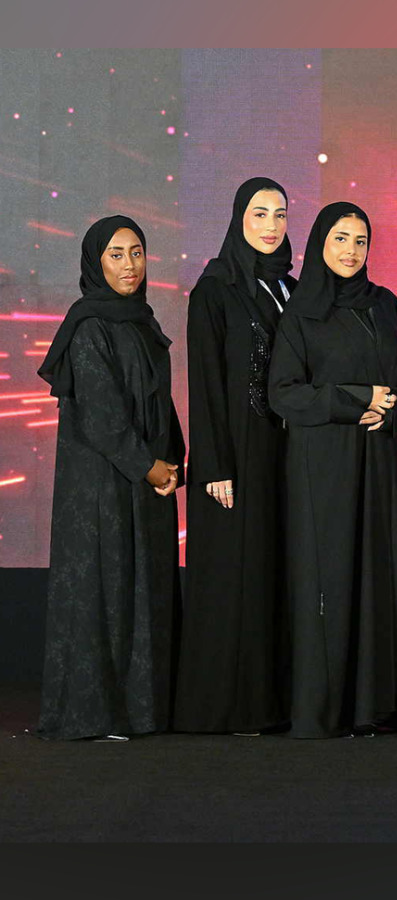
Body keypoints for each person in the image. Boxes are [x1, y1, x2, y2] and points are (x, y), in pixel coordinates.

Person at [268, 201, 397, 739]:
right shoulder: (300, 312)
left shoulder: (385, 305)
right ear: (319, 245)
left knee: (378, 573)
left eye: (360, 241)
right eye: (340, 239)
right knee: (328, 577)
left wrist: (395, 406)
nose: (351, 251)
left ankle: (372, 706)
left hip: (379, 459)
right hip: (323, 462)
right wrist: (357, 400)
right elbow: (283, 394)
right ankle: (324, 710)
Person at [36, 216, 185, 741]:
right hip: (100, 485)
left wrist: (173, 463)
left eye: (137, 252)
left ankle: (138, 711)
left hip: (142, 479)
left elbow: (159, 403)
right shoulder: (88, 325)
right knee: (104, 588)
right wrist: (149, 466)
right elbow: (101, 416)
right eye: (117, 254)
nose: (129, 264)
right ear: (96, 261)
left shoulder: (142, 319)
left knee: (138, 590)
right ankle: (96, 714)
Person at [174, 177, 294, 735]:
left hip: (282, 452)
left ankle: (271, 701)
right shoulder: (215, 289)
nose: (271, 225)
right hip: (235, 457)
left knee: (271, 571)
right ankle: (229, 705)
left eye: (280, 214)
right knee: (235, 576)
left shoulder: (289, 288)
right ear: (238, 219)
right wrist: (215, 466)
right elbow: (205, 384)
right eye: (259, 213)